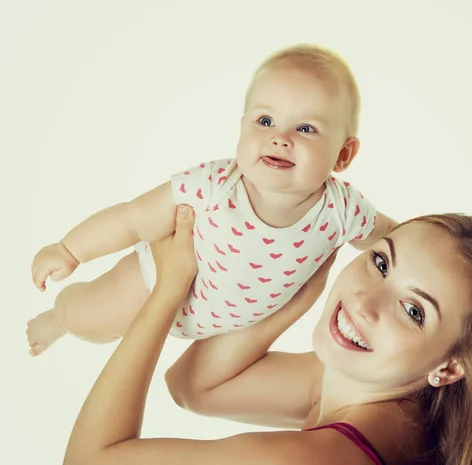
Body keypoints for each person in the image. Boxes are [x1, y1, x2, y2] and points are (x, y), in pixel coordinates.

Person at [63, 205, 472, 465]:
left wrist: (168, 288)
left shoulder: (305, 459)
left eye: (414, 310)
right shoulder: (398, 410)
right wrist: (299, 287)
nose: (364, 300)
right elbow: (193, 385)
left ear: (451, 366)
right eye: (379, 261)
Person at [26, 43, 397, 355]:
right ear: (242, 129)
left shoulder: (343, 210)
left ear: (343, 155)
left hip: (227, 326)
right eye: (265, 121)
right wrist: (70, 250)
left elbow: (399, 238)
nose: (280, 138)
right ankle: (58, 319)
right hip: (147, 285)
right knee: (91, 324)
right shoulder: (214, 185)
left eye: (305, 128)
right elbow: (131, 220)